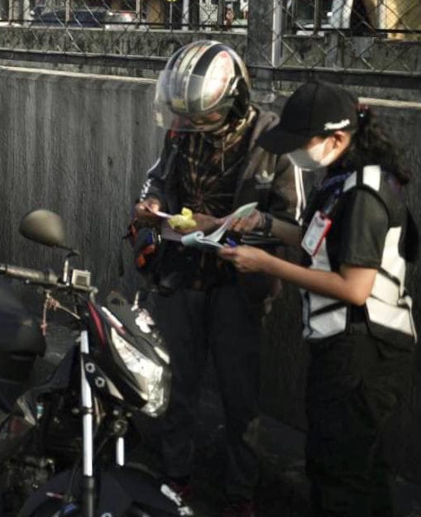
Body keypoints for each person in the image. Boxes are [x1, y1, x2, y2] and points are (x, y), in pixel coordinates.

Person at [221, 81, 417, 517]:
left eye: (300, 143)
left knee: (340, 476)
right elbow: (322, 245)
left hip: (364, 352)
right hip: (346, 347)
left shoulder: (364, 193)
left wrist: (266, 265)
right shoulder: (343, 179)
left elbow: (354, 288)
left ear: (337, 139)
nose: (293, 154)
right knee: (359, 470)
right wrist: (267, 224)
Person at [132, 40, 303, 517]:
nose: (195, 127)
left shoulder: (273, 141)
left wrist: (237, 227)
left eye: (205, 119)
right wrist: (149, 206)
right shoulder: (181, 132)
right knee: (176, 384)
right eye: (189, 119)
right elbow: (158, 181)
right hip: (182, 275)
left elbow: (294, 221)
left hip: (239, 282)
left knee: (238, 396)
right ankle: (176, 478)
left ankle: (240, 494)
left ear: (234, 102)